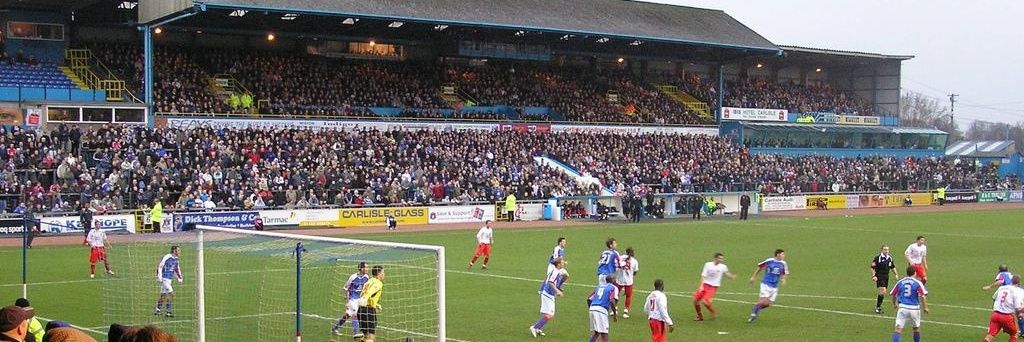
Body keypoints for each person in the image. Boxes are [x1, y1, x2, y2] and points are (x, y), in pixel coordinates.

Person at [748, 249, 789, 323]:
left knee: (768, 304)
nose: (784, 256)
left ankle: (755, 310)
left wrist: (783, 279)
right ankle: (754, 312)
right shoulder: (769, 261)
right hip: (766, 284)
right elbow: (760, 267)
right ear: (778, 255)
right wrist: (753, 277)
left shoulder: (783, 263)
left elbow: (784, 273)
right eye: (782, 254)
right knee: (764, 301)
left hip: (774, 286)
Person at [530, 257, 567, 338]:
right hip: (548, 295)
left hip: (547, 294)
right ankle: (534, 327)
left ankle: (538, 328)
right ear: (558, 264)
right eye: (562, 262)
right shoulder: (555, 272)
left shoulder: (557, 271)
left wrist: (559, 287)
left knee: (546, 314)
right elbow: (550, 282)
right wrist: (557, 291)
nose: (563, 263)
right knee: (550, 314)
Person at [694, 253, 736, 321]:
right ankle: (700, 316)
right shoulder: (707, 264)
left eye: (722, 259)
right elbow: (703, 275)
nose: (721, 260)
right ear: (715, 258)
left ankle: (712, 311)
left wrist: (732, 276)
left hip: (713, 287)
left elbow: (727, 273)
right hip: (705, 285)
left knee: (705, 301)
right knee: (695, 301)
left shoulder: (723, 267)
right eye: (720, 258)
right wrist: (701, 286)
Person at [891, 266, 928, 342]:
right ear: (915, 273)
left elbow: (893, 294)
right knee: (916, 328)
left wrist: (894, 304)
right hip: (914, 309)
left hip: (903, 308)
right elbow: (922, 295)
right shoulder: (918, 283)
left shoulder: (900, 282)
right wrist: (925, 307)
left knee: (898, 329)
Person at [333, 262, 370, 338]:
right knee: (355, 314)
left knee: (347, 315)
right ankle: (355, 333)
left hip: (360, 299)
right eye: (366, 267)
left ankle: (335, 328)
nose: (367, 269)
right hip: (352, 299)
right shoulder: (353, 277)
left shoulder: (366, 277)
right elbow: (346, 288)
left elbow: (365, 288)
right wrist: (347, 302)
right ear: (361, 268)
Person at [983, 275, 1023, 342]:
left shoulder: (1002, 287)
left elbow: (994, 298)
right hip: (1006, 317)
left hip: (995, 315)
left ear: (1011, 280)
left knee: (989, 336)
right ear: (1019, 283)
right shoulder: (1017, 291)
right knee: (1015, 334)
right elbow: (1018, 308)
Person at [358, 265, 385, 342]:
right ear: (379, 273)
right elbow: (370, 291)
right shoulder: (378, 283)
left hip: (361, 310)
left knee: (365, 337)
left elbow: (363, 293)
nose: (384, 274)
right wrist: (365, 298)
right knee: (370, 338)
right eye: (383, 272)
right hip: (368, 311)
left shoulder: (369, 281)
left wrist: (375, 304)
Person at [587, 275, 618, 342]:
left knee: (596, 332)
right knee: (604, 334)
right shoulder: (612, 288)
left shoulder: (599, 286)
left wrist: (591, 309)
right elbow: (612, 301)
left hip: (592, 309)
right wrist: (615, 314)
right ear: (613, 280)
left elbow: (589, 299)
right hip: (601, 311)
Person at [154, 245, 183, 317]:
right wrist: (159, 277)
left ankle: (157, 310)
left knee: (163, 295)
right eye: (178, 250)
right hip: (164, 278)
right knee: (171, 294)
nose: (179, 252)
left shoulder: (176, 259)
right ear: (174, 251)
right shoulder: (167, 257)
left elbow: (177, 268)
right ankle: (168, 311)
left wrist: (179, 277)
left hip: (169, 279)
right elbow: (160, 266)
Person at [871, 244, 899, 314]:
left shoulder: (889, 258)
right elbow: (872, 267)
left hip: (886, 277)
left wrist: (896, 274)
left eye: (887, 250)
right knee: (883, 291)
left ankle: (878, 306)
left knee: (883, 292)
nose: (886, 251)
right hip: (879, 276)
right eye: (885, 250)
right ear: (882, 250)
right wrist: (874, 276)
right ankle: (878, 307)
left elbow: (892, 267)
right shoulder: (877, 258)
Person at [617, 247, 639, 318]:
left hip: (619, 280)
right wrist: (630, 274)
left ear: (626, 252)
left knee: (616, 294)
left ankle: (615, 309)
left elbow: (616, 264)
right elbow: (635, 272)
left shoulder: (621, 257)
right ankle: (625, 311)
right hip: (629, 281)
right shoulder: (635, 261)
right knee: (628, 296)